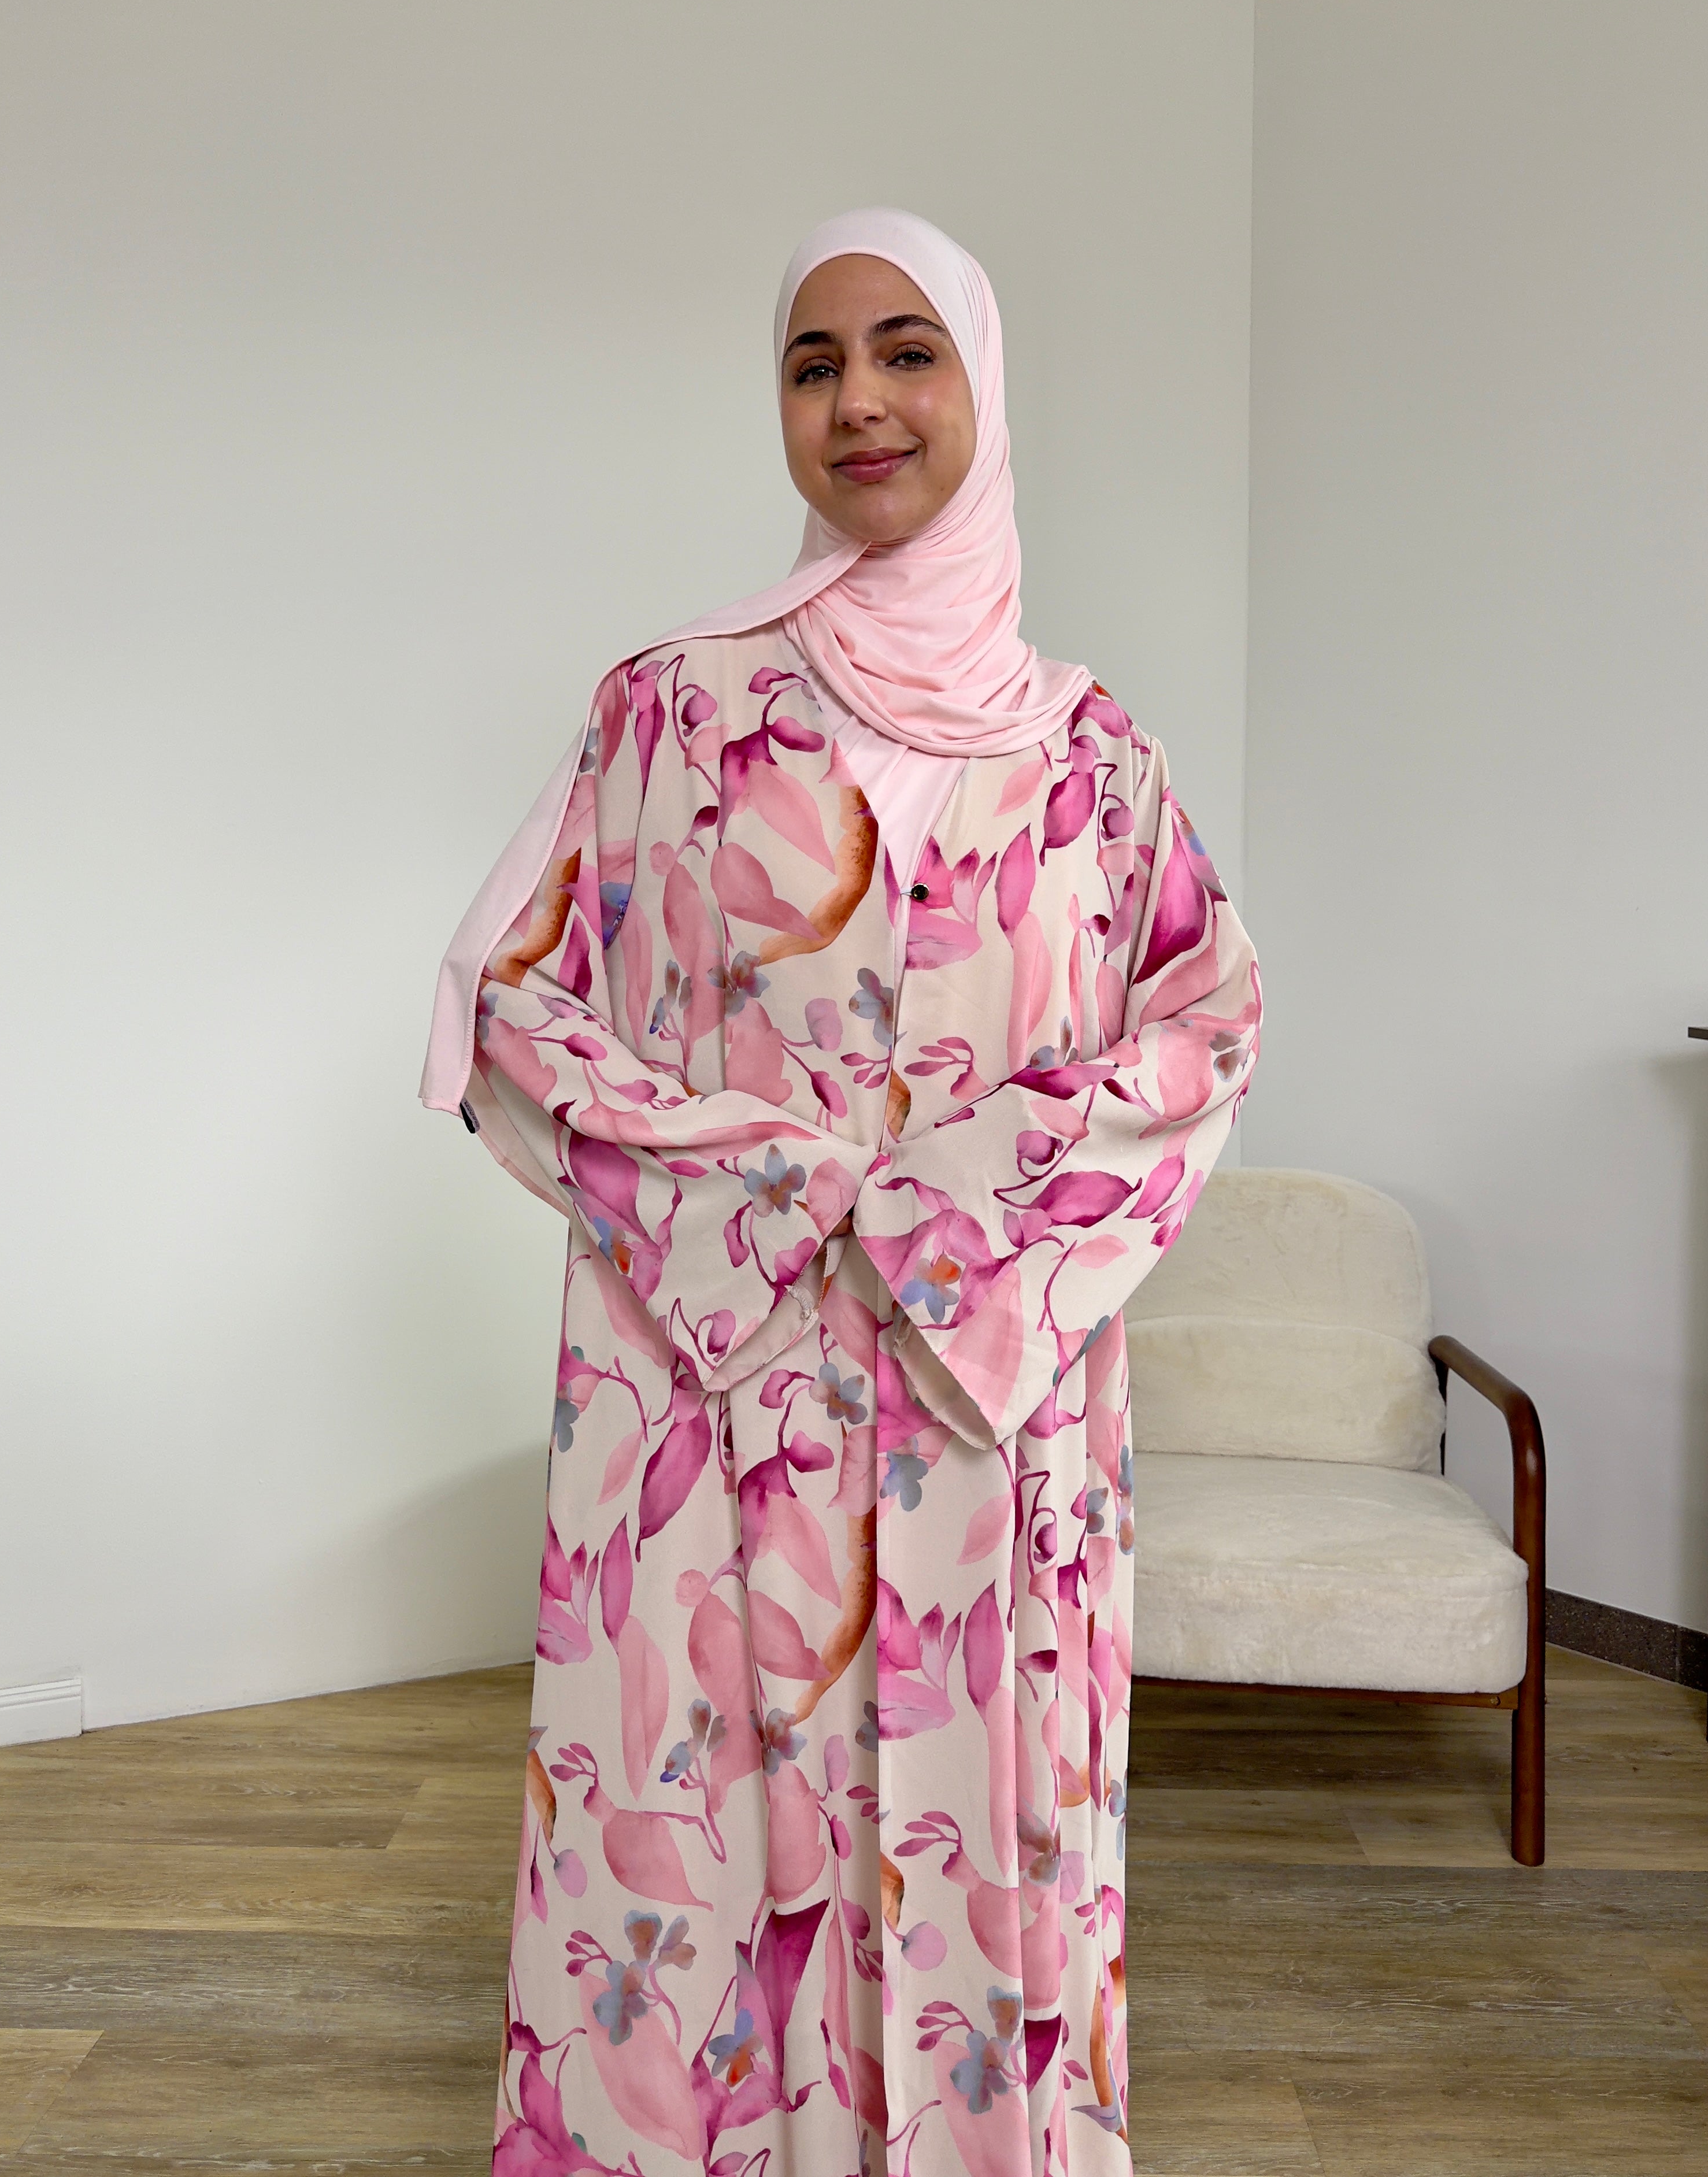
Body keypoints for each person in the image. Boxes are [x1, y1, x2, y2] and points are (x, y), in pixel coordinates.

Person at [422, 208, 1261, 2177]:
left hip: (992, 1423)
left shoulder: (1099, 764)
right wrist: (769, 1191)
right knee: (706, 1860)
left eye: (907, 352)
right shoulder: (674, 711)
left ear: (984, 386)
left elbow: (1205, 1024)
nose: (861, 401)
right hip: (716, 1417)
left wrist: (962, 1215)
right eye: (815, 365)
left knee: (985, 1840)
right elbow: (508, 1008)